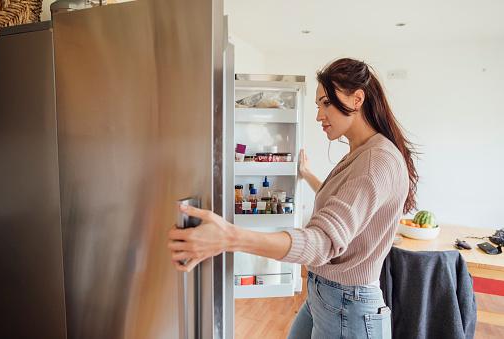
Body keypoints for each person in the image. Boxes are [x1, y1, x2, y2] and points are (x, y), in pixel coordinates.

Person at [167, 58, 417, 339]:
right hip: (326, 295)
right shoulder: (364, 153)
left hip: (349, 307)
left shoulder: (376, 160)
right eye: (317, 106)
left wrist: (229, 238)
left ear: (357, 98)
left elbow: (322, 242)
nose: (319, 115)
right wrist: (306, 174)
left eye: (326, 103)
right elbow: (344, 204)